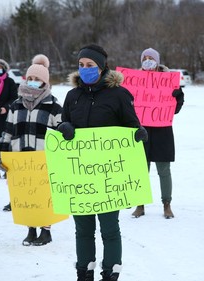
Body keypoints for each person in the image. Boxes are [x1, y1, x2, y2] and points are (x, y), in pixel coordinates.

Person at [57, 44, 147, 281]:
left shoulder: (119, 94)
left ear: (102, 67)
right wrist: (63, 127)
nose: (85, 69)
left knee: (109, 229)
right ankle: (84, 272)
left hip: (109, 177)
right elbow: (62, 128)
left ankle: (110, 273)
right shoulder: (72, 96)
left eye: (90, 65)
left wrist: (138, 133)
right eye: (81, 65)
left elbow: (132, 126)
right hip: (80, 176)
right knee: (83, 230)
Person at [0, 54, 63, 246]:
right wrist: (1, 154)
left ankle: (46, 231)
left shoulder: (53, 106)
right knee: (26, 195)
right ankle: (31, 229)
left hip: (44, 161)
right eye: (31, 78)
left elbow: (60, 133)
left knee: (44, 195)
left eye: (38, 80)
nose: (33, 82)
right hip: (20, 160)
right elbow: (7, 131)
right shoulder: (16, 106)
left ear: (45, 82)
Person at [131, 48, 184, 219]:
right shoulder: (135, 81)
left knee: (164, 170)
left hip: (162, 130)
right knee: (141, 169)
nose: (147, 61)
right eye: (144, 58)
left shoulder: (168, 81)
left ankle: (166, 204)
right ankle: (140, 204)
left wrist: (178, 98)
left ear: (157, 61)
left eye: (151, 58)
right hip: (142, 130)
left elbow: (174, 110)